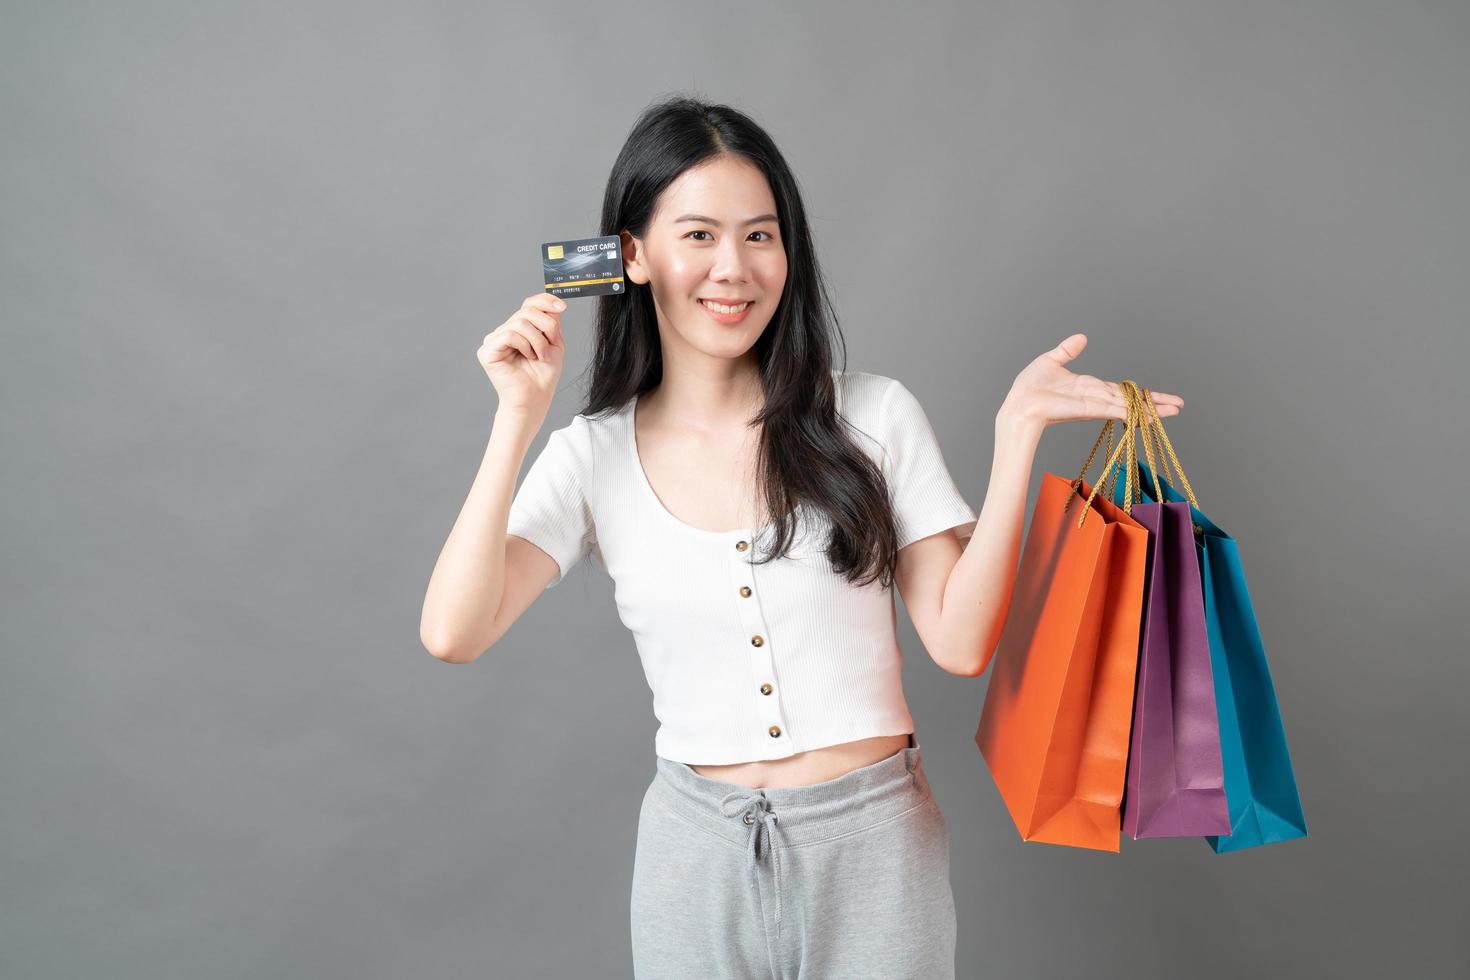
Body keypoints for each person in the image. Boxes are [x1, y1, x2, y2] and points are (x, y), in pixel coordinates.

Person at [419, 95, 1183, 979]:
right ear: (631, 254)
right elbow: (452, 631)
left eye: (760, 235)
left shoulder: (872, 414)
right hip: (692, 855)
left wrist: (1017, 440)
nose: (733, 268)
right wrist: (517, 419)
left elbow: (963, 641)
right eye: (698, 235)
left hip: (877, 846)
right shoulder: (590, 454)